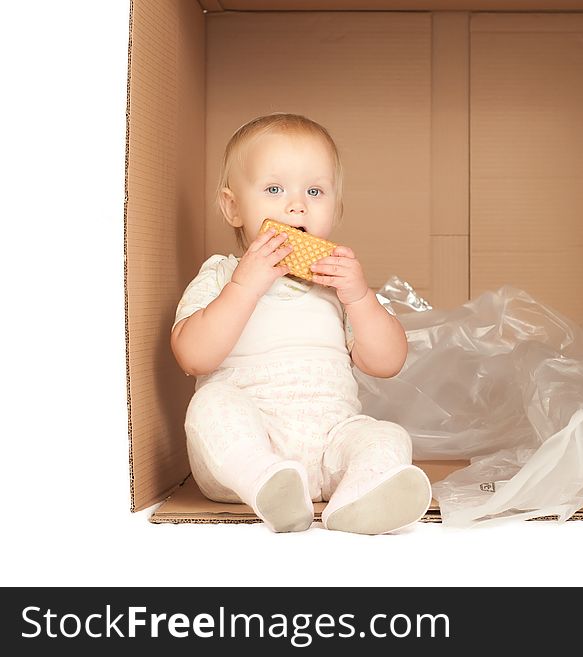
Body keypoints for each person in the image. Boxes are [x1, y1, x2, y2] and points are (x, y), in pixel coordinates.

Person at [170, 113, 432, 534]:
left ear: (336, 208)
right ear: (232, 207)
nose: (297, 205)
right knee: (210, 407)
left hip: (331, 443)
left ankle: (360, 498)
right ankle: (268, 481)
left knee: (386, 434)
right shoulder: (221, 274)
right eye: (274, 189)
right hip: (244, 452)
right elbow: (192, 356)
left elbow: (388, 361)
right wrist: (245, 286)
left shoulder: (338, 287)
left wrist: (361, 298)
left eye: (315, 190)